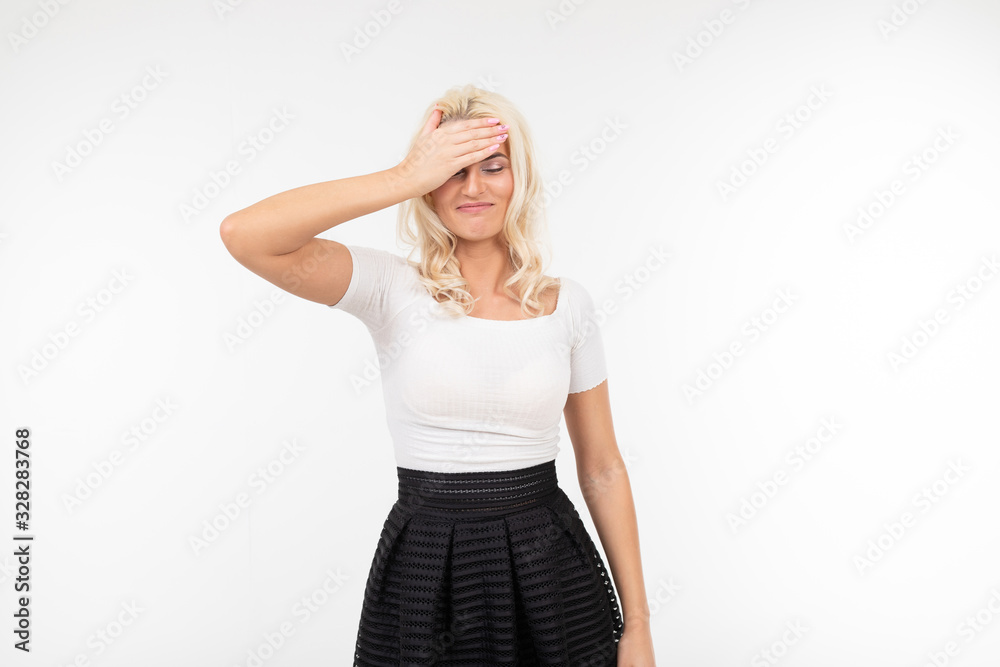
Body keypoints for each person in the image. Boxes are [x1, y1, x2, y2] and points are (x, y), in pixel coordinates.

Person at [220, 84, 656, 666]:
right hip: (427, 567)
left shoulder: (567, 305)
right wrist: (404, 175)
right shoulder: (390, 288)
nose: (473, 188)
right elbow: (245, 236)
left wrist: (639, 627)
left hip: (550, 570)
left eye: (492, 167)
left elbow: (602, 467)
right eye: (453, 171)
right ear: (430, 186)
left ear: (518, 179)